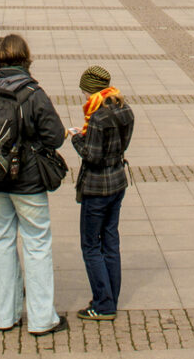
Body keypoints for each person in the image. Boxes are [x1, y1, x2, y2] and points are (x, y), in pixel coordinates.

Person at [0, 34, 67, 337]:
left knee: (2, 241)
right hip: (28, 182)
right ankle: (41, 318)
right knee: (36, 244)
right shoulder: (33, 93)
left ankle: (5, 314)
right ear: (25, 59)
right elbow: (56, 136)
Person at [71, 64, 133, 322]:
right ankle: (111, 297)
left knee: (90, 245)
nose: (85, 97)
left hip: (98, 187)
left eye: (85, 92)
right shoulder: (124, 108)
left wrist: (76, 138)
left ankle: (103, 304)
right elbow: (122, 143)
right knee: (111, 242)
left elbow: (92, 156)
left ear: (93, 90)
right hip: (118, 181)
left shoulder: (97, 117)